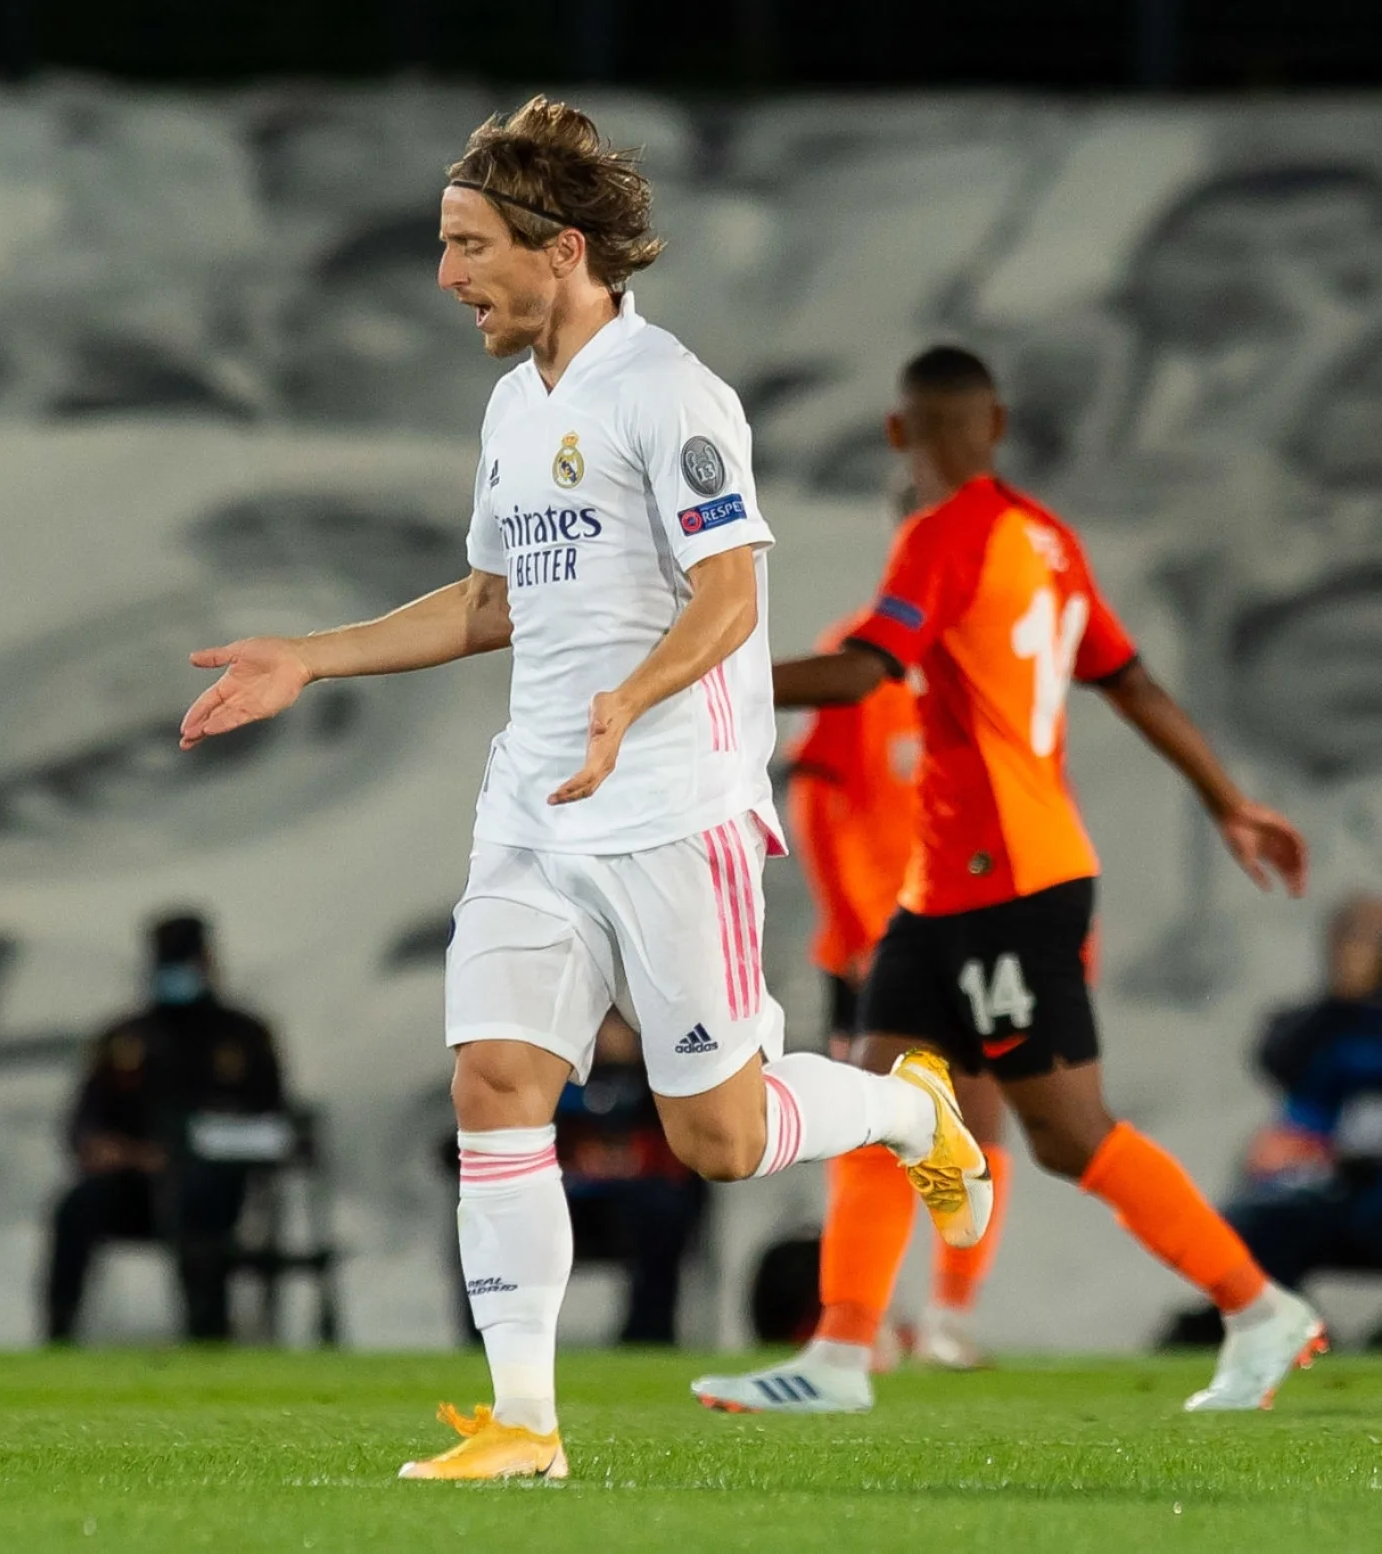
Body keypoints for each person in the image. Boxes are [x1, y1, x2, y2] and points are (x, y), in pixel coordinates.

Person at [179, 97, 990, 1482]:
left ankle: (912, 1108)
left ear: (560, 248)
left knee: (718, 1138)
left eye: (467, 245)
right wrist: (309, 657)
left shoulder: (671, 392)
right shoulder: (514, 407)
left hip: (672, 808)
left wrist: (631, 697)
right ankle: (524, 1424)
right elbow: (491, 601)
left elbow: (729, 597)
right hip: (533, 808)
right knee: (494, 1078)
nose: (446, 275)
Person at [694, 345, 1318, 1416]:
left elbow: (862, 672)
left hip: (1008, 886)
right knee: (881, 1104)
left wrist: (695, 677)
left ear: (899, 434)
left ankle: (1258, 1309)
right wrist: (1227, 799)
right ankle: (839, 1356)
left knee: (1068, 1133)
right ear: (995, 423)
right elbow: (1133, 682)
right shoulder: (1047, 540)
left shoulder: (944, 534)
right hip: (945, 888)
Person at [789, 606, 1012, 1372]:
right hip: (879, 940)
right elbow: (814, 792)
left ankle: (949, 1315)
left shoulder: (995, 657)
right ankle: (862, 1317)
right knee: (870, 1125)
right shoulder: (858, 655)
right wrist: (850, 924)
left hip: (975, 932)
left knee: (978, 1118)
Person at [42, 913, 287, 1345]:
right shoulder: (124, 1038)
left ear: (208, 963)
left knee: (195, 1204)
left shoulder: (243, 1037)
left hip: (212, 1189)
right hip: (133, 1190)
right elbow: (85, 1122)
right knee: (75, 1207)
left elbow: (272, 1127)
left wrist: (190, 1150)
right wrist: (110, 1150)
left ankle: (208, 1336)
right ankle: (59, 1334)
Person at [1170, 894, 1382, 1342]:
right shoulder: (1312, 1022)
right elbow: (1279, 1060)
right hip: (1328, 1185)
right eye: (1352, 936)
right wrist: (1343, 999)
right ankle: (1296, 1334)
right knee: (1253, 1223)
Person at [445, 1012, 706, 1347]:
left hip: (629, 1206)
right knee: (487, 1209)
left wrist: (633, 1161)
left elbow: (687, 1152)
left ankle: (648, 1336)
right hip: (554, 1199)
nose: (605, 1036)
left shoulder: (659, 1087)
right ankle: (494, 1334)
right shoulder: (535, 1077)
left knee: (664, 1209)